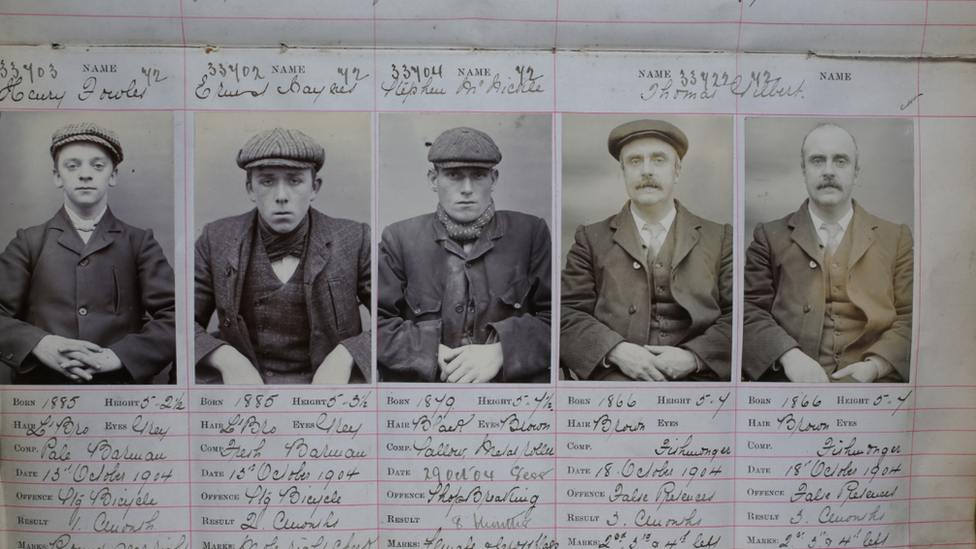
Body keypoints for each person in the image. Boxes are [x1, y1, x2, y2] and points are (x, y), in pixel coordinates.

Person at [0, 122, 176, 384]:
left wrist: (118, 357)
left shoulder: (139, 242)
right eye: (72, 166)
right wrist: (40, 344)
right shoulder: (28, 241)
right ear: (57, 176)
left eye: (98, 166)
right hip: (42, 390)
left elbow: (176, 316)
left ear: (113, 176)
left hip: (119, 390)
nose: (85, 175)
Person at [194, 128, 371, 385]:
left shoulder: (354, 238)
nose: (281, 196)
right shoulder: (216, 238)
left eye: (294, 180)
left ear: (314, 187)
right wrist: (223, 358)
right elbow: (180, 322)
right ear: (250, 189)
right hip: (241, 382)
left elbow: (388, 320)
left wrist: (348, 354)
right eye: (267, 181)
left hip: (328, 384)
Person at [561, 119, 733, 381]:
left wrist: (695, 357)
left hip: (700, 380)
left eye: (659, 160)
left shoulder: (719, 237)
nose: (646, 171)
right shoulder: (591, 239)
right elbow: (567, 313)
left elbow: (740, 315)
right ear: (623, 171)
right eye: (634, 161)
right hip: (616, 380)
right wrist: (617, 351)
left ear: (677, 171)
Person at [377, 126, 551, 383]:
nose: (467, 188)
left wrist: (502, 351)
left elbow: (557, 319)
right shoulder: (399, 238)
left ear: (494, 179)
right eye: (453, 175)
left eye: (479, 175)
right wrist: (430, 352)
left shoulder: (531, 233)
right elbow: (378, 325)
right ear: (433, 180)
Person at [742, 123, 913, 383]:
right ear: (804, 170)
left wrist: (876, 366)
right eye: (818, 161)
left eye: (840, 161)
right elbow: (750, 310)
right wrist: (790, 357)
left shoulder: (896, 237)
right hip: (790, 384)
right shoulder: (769, 236)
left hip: (876, 385)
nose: (829, 171)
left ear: (855, 173)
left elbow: (911, 315)